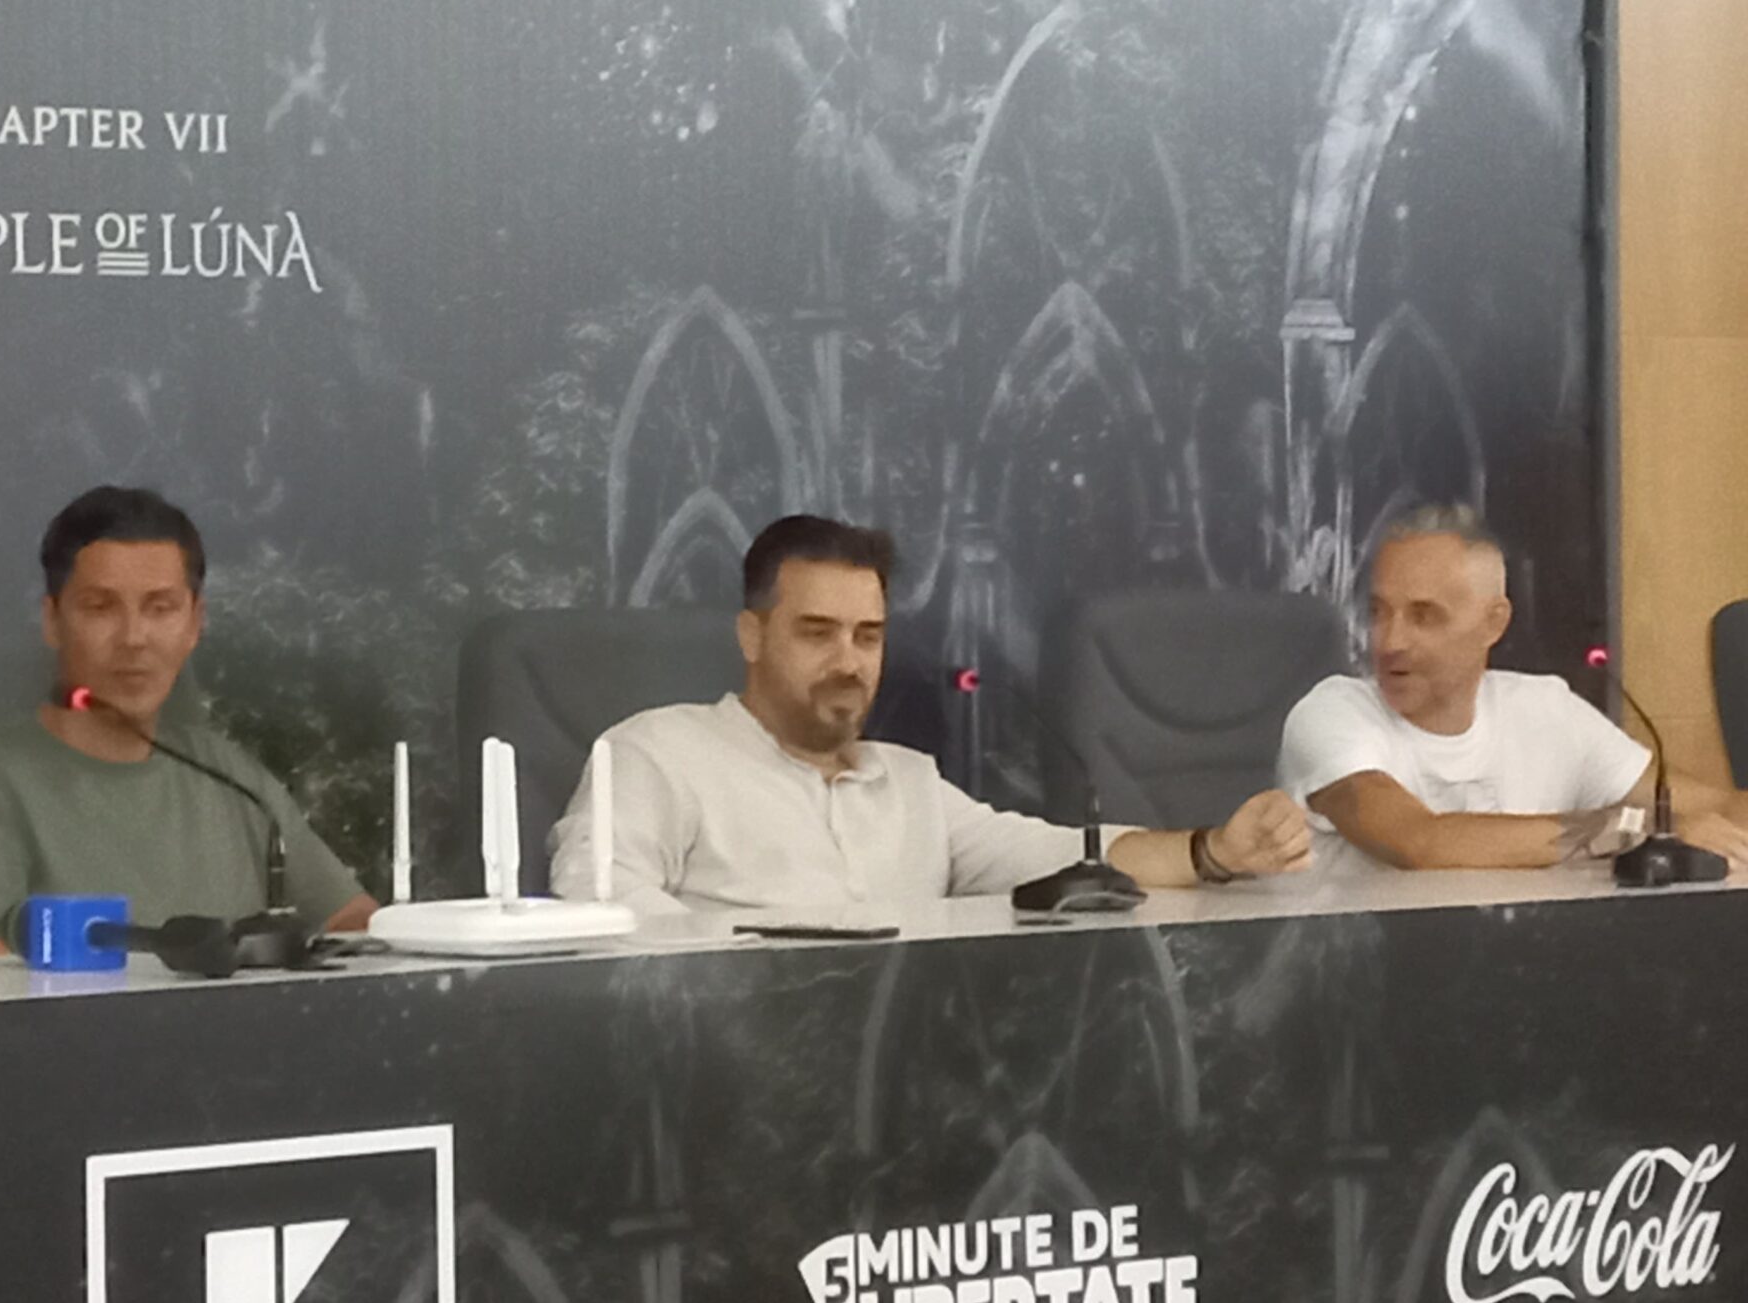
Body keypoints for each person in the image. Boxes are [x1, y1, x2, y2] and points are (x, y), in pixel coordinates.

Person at [547, 515, 1310, 912]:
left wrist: (1214, 851)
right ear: (752, 635)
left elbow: (1060, 859)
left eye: (868, 636)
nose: (848, 661)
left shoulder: (910, 784)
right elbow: (597, 898)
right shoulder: (658, 752)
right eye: (817, 633)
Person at [0, 486, 375, 956]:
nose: (133, 637)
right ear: (53, 621)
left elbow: (354, 922)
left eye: (160, 608)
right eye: (100, 607)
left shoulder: (231, 776)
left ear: (194, 624)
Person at [1278, 504, 1748, 871]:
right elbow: (1420, 841)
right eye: (1378, 612)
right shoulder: (1331, 713)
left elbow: (1718, 807)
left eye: (1424, 616)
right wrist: (1638, 830)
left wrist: (1709, 827)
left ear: (1494, 622)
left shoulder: (1546, 709)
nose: (1390, 641)